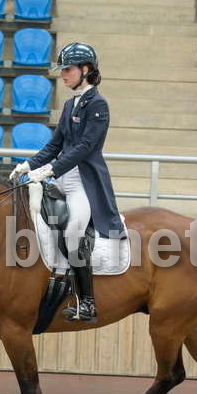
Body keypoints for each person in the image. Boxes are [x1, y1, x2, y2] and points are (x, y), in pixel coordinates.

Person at [10, 42, 126, 322]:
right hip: (62, 175)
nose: (62, 75)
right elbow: (55, 145)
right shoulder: (69, 104)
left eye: (68, 69)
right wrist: (28, 165)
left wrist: (50, 170)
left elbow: (85, 147)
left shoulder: (98, 105)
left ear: (86, 70)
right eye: (62, 70)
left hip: (83, 181)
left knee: (73, 232)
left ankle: (87, 302)